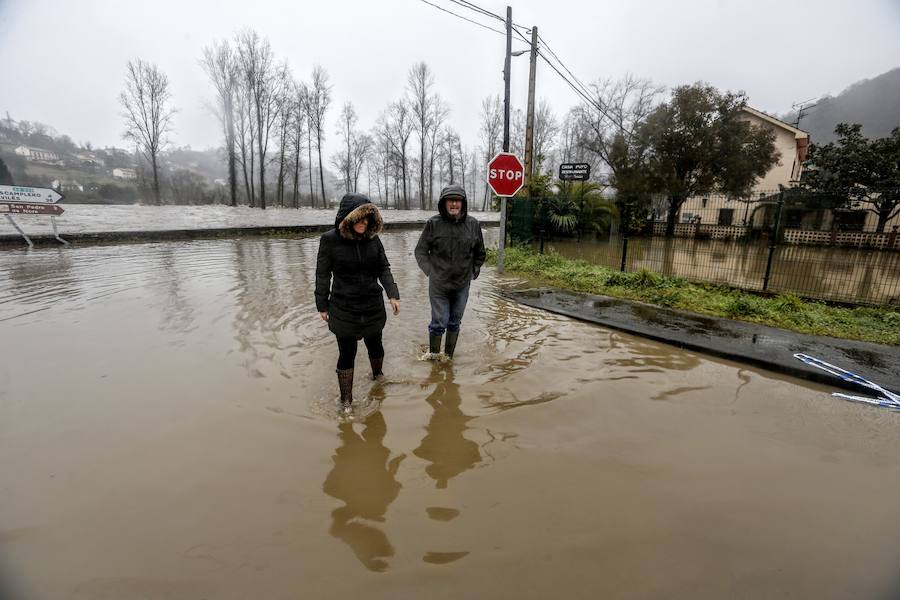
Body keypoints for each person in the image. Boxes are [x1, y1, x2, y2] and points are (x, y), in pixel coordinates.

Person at [315, 193, 400, 413]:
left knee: (376, 344)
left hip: (372, 304)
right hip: (344, 307)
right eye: (360, 218)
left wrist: (392, 294)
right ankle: (346, 402)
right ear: (348, 218)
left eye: (368, 218)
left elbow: (383, 267)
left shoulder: (373, 239)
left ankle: (378, 376)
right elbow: (323, 274)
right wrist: (322, 304)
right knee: (346, 353)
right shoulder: (329, 240)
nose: (364, 223)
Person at [414, 185, 485, 359]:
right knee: (438, 323)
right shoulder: (433, 224)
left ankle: (448, 358)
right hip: (439, 286)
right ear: (444, 203)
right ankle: (434, 361)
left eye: (457, 200)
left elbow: (480, 253)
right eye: (450, 200)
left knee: (454, 322)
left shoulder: (473, 224)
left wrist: (473, 272)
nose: (454, 204)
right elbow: (420, 251)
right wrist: (431, 272)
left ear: (463, 203)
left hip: (462, 285)